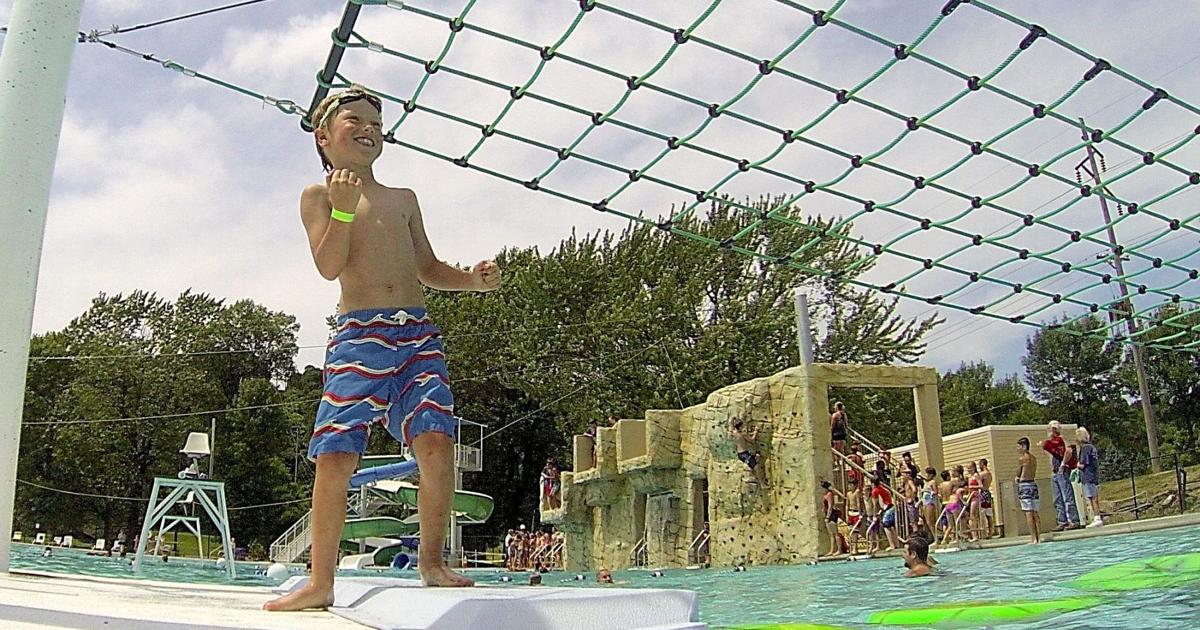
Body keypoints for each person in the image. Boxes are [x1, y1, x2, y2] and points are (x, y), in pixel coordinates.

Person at [265, 87, 503, 612]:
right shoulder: (318, 197)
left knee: (436, 440)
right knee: (337, 452)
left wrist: (471, 280)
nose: (369, 129)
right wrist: (344, 212)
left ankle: (433, 563)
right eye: (355, 120)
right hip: (359, 335)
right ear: (323, 136)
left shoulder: (403, 199)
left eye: (376, 123)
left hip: (417, 334)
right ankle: (320, 581)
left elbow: (428, 268)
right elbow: (329, 266)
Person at [1040, 421, 1081, 531]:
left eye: (1052, 429)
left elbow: (1069, 451)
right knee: (1057, 498)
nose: (1050, 431)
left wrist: (1063, 464)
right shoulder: (1051, 443)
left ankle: (1074, 520)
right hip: (1055, 471)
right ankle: (1062, 521)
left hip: (1062, 471)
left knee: (1067, 496)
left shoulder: (1061, 440)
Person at [1076, 427, 1103, 527]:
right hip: (1094, 475)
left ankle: (1097, 517)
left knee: (1092, 497)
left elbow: (1082, 464)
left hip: (1088, 476)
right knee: (1093, 496)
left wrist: (1077, 465)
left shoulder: (1085, 448)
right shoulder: (1092, 447)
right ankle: (1097, 517)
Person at [730, 420, 769, 488]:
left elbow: (731, 425)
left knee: (757, 458)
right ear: (739, 427)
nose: (743, 427)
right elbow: (752, 440)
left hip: (741, 454)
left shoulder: (734, 432)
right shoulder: (743, 434)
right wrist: (755, 432)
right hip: (744, 454)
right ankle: (762, 483)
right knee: (757, 467)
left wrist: (733, 419)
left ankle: (760, 478)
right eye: (742, 426)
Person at [1017, 436, 1041, 544]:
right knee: (1035, 512)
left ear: (1024, 446)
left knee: (1028, 512)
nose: (1017, 449)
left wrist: (1017, 478)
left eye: (1019, 447)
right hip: (1033, 484)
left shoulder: (1022, 459)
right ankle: (1039, 537)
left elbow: (1019, 472)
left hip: (1024, 485)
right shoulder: (1034, 458)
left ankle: (1033, 538)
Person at [870, 476, 900, 552]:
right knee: (892, 527)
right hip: (892, 507)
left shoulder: (875, 491)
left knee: (886, 526)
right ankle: (896, 544)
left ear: (872, 484)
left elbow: (875, 505)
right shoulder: (884, 489)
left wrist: (874, 515)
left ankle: (892, 545)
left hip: (888, 509)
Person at [821, 481, 842, 557]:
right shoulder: (825, 494)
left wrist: (828, 516)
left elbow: (830, 506)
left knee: (835, 533)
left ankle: (839, 549)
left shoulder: (829, 494)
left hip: (831, 515)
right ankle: (832, 550)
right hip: (827, 514)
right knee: (831, 534)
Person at [977, 458, 995, 539]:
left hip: (983, 493)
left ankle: (984, 532)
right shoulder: (989, 474)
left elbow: (979, 484)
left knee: (982, 513)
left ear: (982, 464)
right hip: (988, 493)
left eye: (979, 465)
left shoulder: (982, 474)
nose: (979, 466)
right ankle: (991, 532)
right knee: (989, 514)